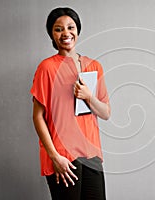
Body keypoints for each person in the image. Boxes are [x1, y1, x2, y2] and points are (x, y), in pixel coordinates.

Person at [31, 7, 110, 200]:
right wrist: (54, 156)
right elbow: (38, 116)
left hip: (91, 155)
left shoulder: (93, 66)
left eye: (70, 27)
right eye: (58, 29)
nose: (65, 33)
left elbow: (106, 112)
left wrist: (89, 97)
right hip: (63, 156)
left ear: (78, 30)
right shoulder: (47, 68)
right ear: (51, 34)